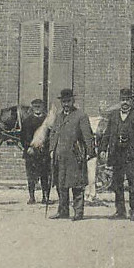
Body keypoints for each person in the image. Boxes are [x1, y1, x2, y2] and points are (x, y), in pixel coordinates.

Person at [99, 88, 134, 221]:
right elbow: (107, 134)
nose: (125, 103)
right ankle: (120, 210)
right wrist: (103, 149)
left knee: (133, 183)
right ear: (119, 101)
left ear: (132, 101)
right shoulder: (114, 115)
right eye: (123, 100)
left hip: (131, 155)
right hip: (117, 155)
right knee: (117, 183)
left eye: (127, 100)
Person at [48, 88, 95, 221]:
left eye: (68, 101)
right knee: (60, 184)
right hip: (59, 156)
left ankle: (78, 212)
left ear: (73, 101)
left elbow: (88, 136)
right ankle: (63, 211)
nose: (66, 104)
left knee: (77, 185)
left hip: (75, 156)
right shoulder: (58, 116)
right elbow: (53, 134)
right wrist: (52, 149)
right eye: (64, 102)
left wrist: (89, 152)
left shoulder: (81, 116)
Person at [20, 99, 51, 205]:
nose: (37, 109)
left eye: (39, 106)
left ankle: (45, 197)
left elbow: (51, 136)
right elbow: (23, 137)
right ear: (32, 108)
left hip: (44, 153)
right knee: (31, 176)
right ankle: (32, 197)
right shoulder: (27, 121)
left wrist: (48, 148)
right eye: (35, 107)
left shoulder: (47, 121)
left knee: (44, 175)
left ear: (43, 107)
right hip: (31, 152)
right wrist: (27, 147)